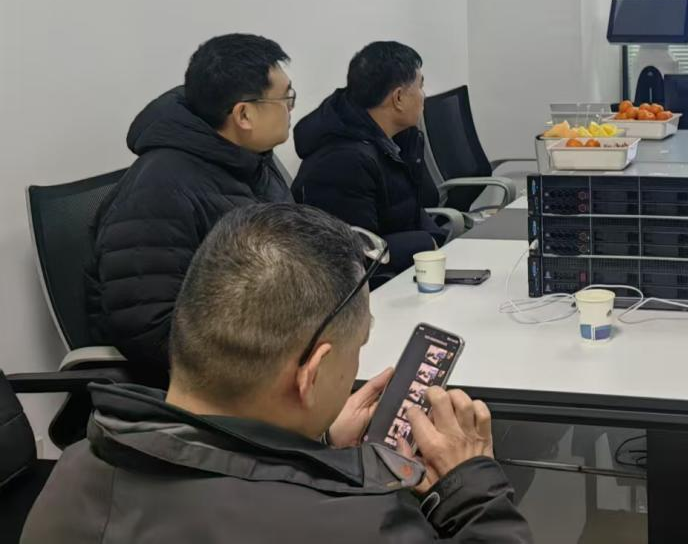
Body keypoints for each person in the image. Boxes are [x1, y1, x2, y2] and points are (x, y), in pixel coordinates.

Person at [24, 203, 531, 543]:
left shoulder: (76, 472)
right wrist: (473, 493)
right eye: (357, 348)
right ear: (312, 373)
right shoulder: (358, 525)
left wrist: (317, 449)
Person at [87, 33, 294, 380]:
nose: (291, 108)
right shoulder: (158, 190)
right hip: (209, 375)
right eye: (286, 98)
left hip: (274, 336)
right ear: (243, 114)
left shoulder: (253, 160)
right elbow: (153, 331)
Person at [292, 41, 448, 270]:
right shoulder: (344, 163)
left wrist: (437, 240)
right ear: (398, 98)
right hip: (374, 285)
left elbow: (411, 210)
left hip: (405, 269)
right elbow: (356, 255)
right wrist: (425, 244)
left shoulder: (399, 138)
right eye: (420, 86)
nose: (424, 95)